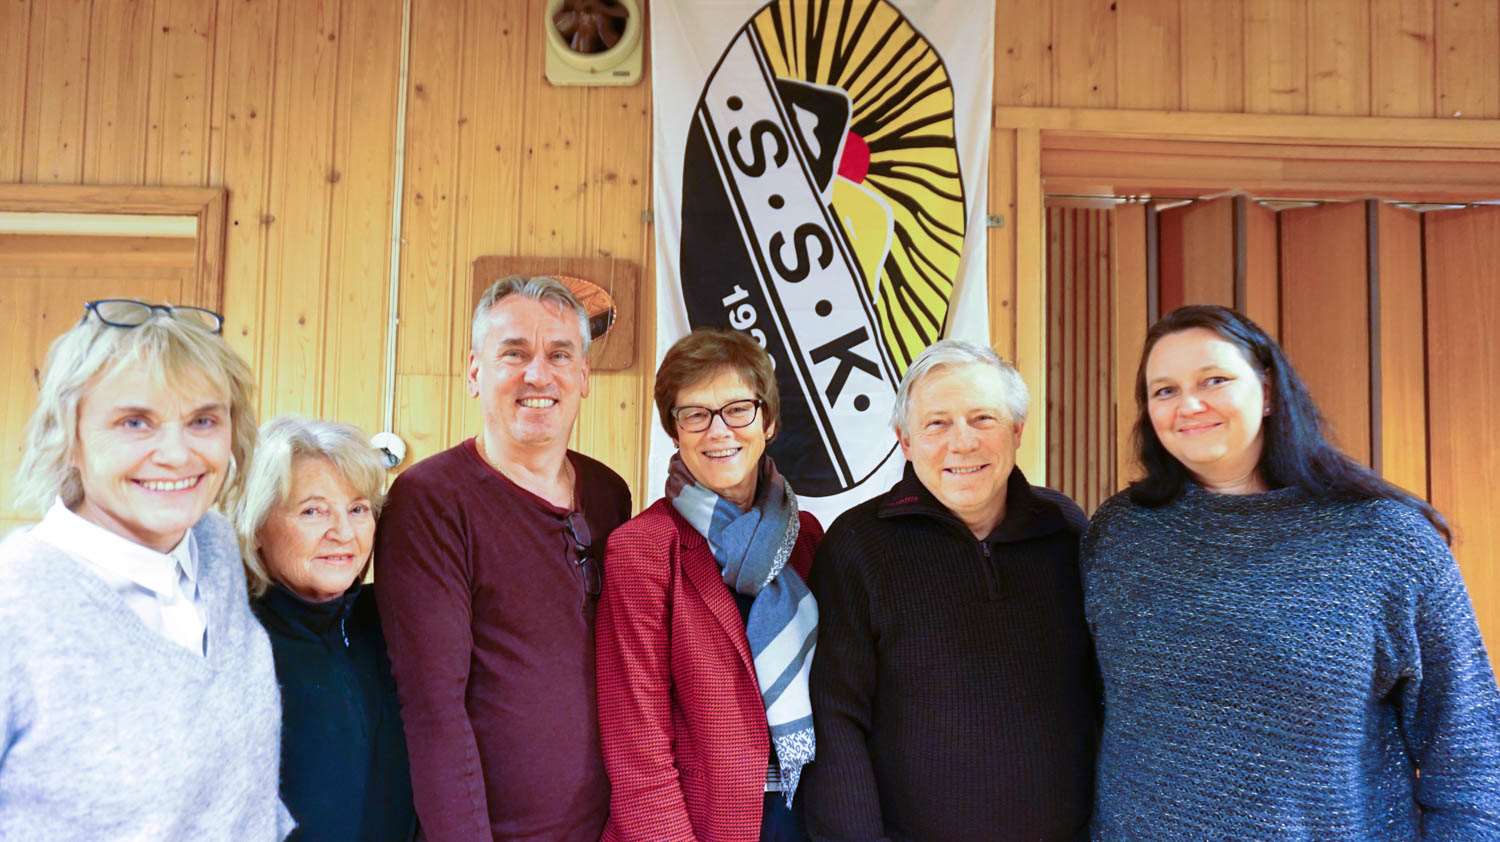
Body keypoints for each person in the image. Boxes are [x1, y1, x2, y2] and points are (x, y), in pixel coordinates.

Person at [1082, 304, 1500, 838]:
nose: (1189, 404)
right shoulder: (1119, 534)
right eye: (1164, 390)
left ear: (1270, 391)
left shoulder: (1385, 540)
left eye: (1214, 380)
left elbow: (1467, 750)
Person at [0, 299, 292, 839]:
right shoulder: (15, 604)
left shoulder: (214, 547)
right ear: (69, 437)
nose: (177, 454)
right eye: (135, 422)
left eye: (203, 420)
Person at [801, 339, 1097, 841]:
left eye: (984, 419)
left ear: (1017, 430)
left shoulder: (1064, 529)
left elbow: (1099, 689)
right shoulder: (857, 545)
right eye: (937, 423)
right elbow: (835, 720)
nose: (962, 443)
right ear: (905, 441)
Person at [375, 276, 632, 842]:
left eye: (559, 354)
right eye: (513, 353)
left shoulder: (610, 495)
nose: (537, 374)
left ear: (583, 377)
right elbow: (432, 710)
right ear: (474, 372)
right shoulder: (431, 501)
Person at [596, 329, 823, 842]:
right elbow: (637, 749)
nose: (718, 431)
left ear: (767, 422)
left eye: (738, 409)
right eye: (695, 414)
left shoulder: (806, 539)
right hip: (700, 824)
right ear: (675, 432)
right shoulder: (644, 549)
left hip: (803, 815)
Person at [235, 416, 417, 841]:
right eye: (313, 510)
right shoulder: (233, 640)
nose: (343, 532)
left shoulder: (391, 622)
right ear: (257, 525)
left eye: (357, 509)